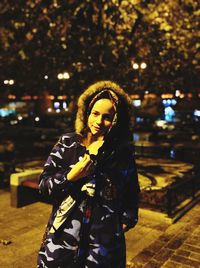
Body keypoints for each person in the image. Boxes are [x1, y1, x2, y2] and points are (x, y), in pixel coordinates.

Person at [37, 80, 140, 268]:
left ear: (118, 121)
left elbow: (132, 192)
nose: (99, 122)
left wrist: (125, 221)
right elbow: (44, 186)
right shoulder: (68, 143)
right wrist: (70, 176)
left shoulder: (122, 153)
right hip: (62, 244)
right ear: (86, 113)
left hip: (103, 248)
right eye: (95, 113)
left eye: (108, 117)